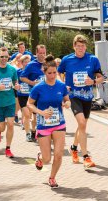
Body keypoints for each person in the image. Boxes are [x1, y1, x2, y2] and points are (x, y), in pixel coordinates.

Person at [58, 34, 104, 169]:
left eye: (83, 46)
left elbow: (101, 77)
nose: (80, 48)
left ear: (86, 47)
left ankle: (73, 147)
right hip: (73, 95)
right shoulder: (67, 60)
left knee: (82, 126)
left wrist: (94, 81)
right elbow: (59, 73)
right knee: (82, 123)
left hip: (88, 96)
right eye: (78, 46)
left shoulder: (93, 59)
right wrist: (62, 85)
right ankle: (86, 157)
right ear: (74, 46)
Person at [27, 55, 71, 188]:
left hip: (59, 124)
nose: (52, 75)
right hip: (43, 125)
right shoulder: (38, 87)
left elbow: (66, 99)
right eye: (49, 73)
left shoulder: (61, 85)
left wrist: (67, 103)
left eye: (54, 73)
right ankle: (40, 157)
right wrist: (41, 113)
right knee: (47, 159)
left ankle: (52, 177)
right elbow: (30, 104)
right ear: (44, 72)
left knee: (58, 155)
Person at [20, 44, 47, 140]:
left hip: (45, 96)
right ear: (36, 53)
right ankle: (30, 133)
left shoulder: (48, 63)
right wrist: (32, 83)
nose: (43, 55)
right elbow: (22, 77)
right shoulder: (31, 65)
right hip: (33, 95)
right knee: (29, 115)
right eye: (40, 53)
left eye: (44, 53)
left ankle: (35, 131)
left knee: (38, 117)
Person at [16, 54, 34, 141]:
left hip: (31, 96)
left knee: (30, 115)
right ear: (22, 63)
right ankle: (28, 133)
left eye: (28, 62)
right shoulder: (18, 72)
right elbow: (14, 82)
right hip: (22, 96)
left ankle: (32, 130)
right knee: (27, 114)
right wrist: (16, 85)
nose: (27, 63)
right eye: (25, 62)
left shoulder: (33, 72)